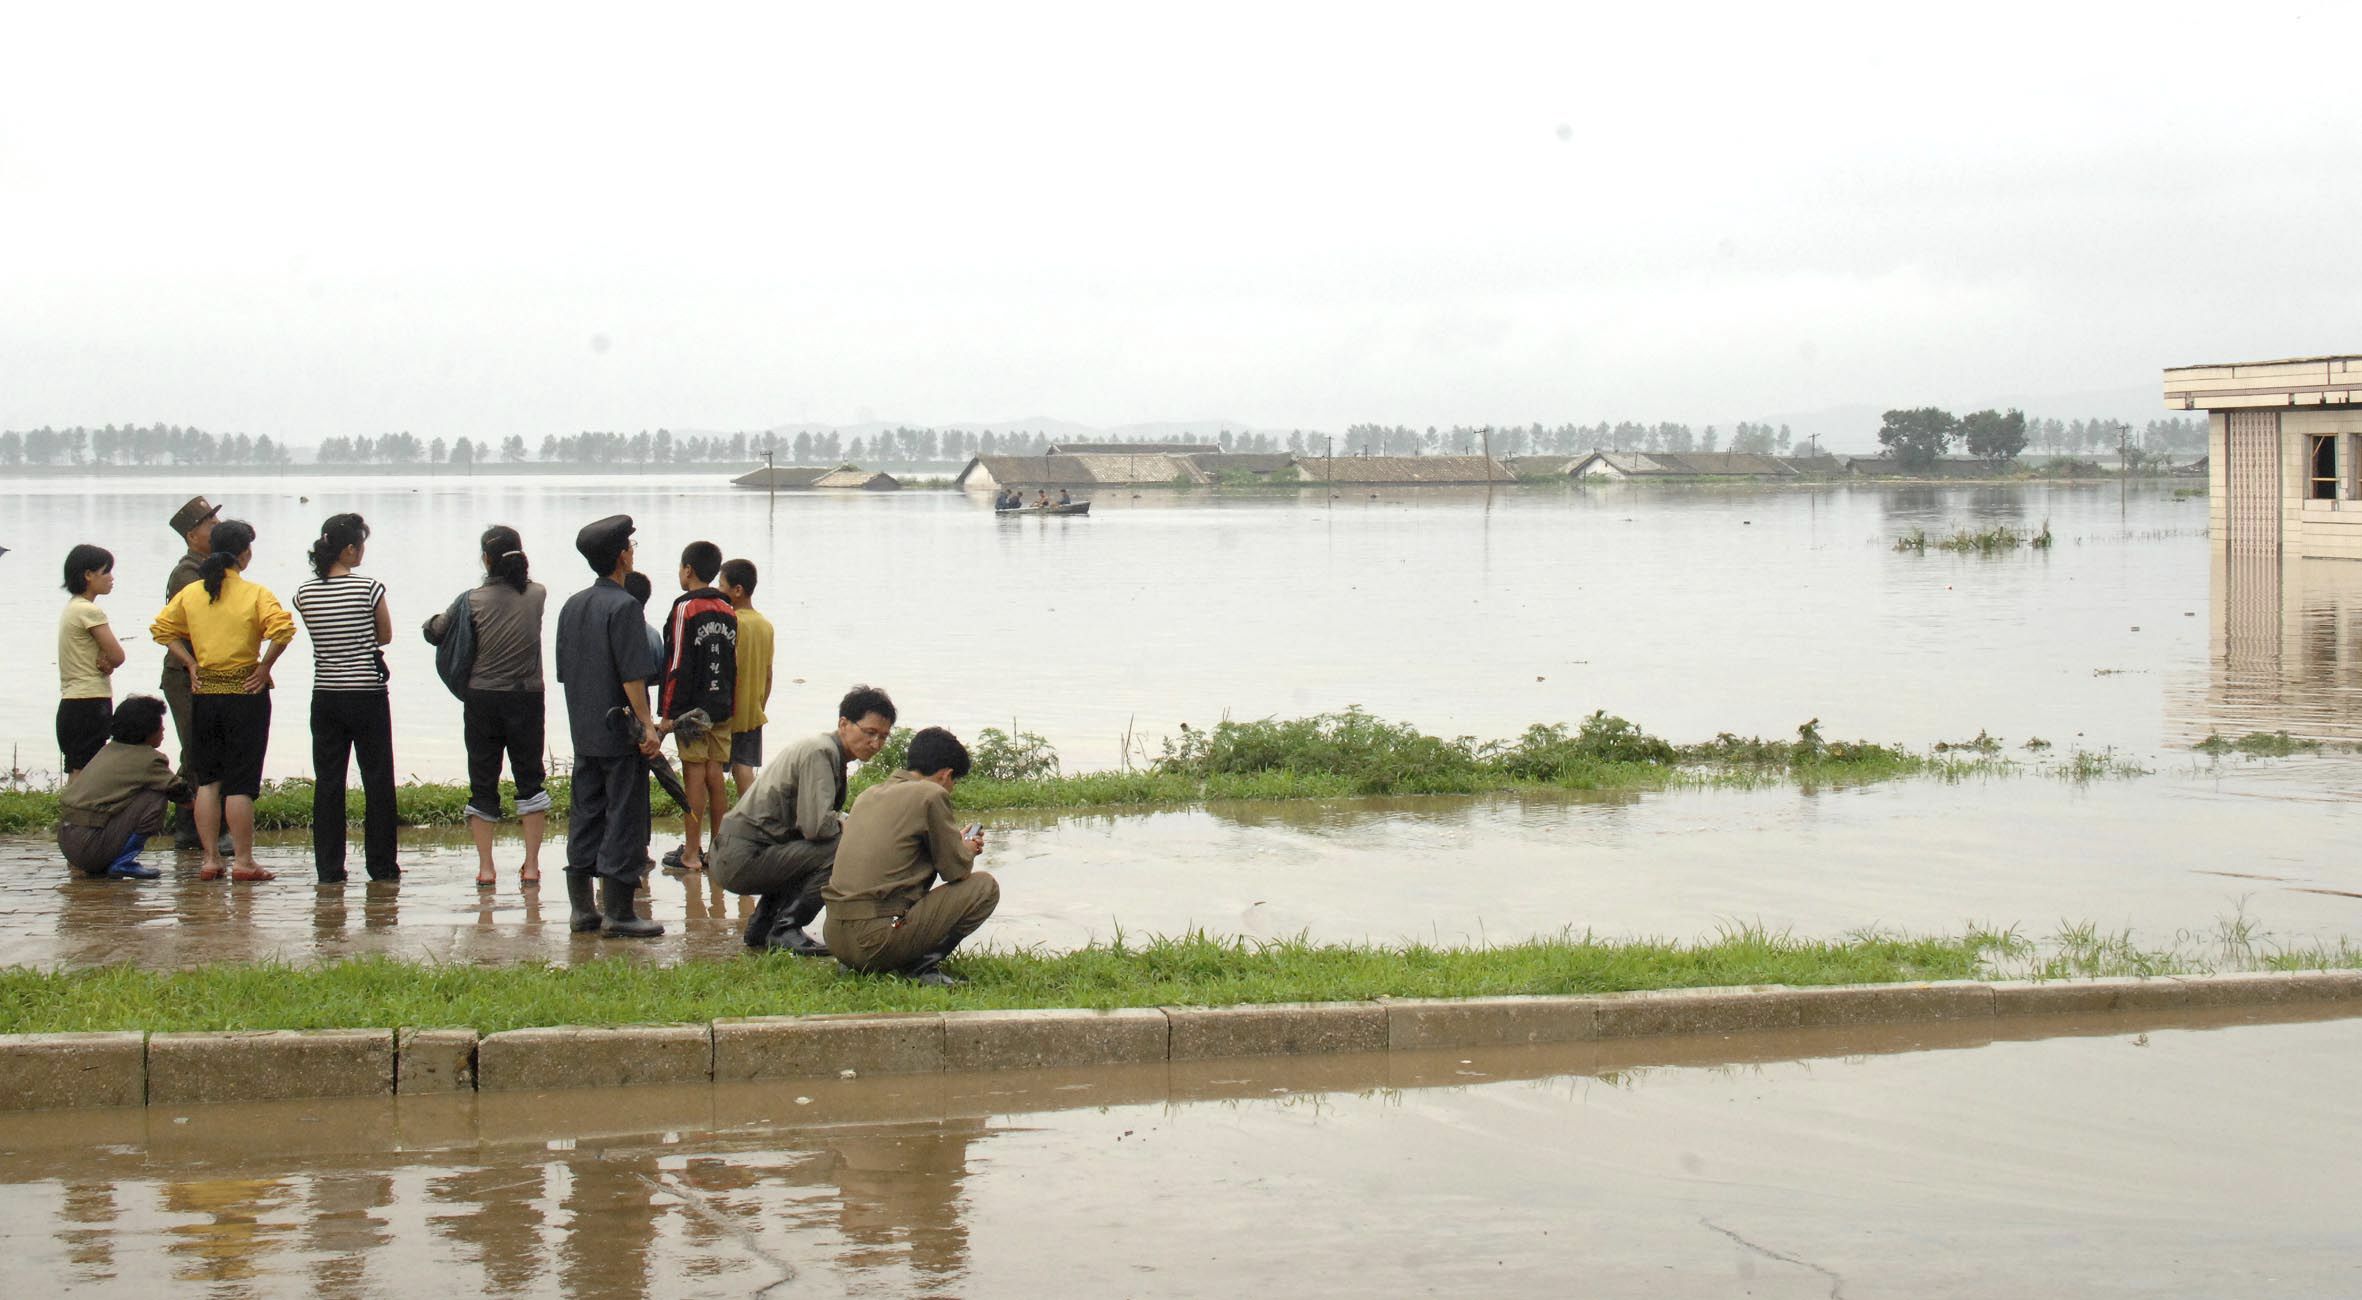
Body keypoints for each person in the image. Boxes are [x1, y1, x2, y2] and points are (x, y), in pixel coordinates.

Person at [150, 519, 295, 882]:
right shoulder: (255, 593)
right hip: (246, 692)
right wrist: (264, 667)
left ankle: (210, 859)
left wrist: (191, 663)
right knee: (241, 783)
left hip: (205, 693)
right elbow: (283, 629)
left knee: (209, 780)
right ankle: (244, 861)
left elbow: (162, 629)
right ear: (243, 554)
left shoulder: (193, 593)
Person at [709, 685, 896, 956]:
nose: (876, 744)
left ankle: (764, 926)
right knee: (842, 847)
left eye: (883, 736)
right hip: (741, 856)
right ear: (844, 723)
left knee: (818, 847)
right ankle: (786, 927)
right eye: (869, 733)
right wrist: (852, 824)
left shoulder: (828, 751)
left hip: (738, 853)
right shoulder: (821, 752)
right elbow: (817, 827)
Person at [554, 515, 666, 938]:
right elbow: (632, 677)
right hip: (620, 732)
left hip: (584, 728)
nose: (632, 553)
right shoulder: (625, 606)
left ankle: (582, 910)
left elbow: (566, 672)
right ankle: (619, 912)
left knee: (585, 813)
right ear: (622, 556)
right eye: (631, 548)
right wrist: (647, 726)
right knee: (625, 815)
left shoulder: (572, 605)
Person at [822, 726, 998, 986]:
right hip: (874, 940)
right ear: (945, 774)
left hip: (835, 938)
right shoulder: (932, 793)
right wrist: (967, 849)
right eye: (954, 782)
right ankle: (920, 965)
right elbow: (955, 871)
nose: (952, 788)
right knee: (984, 887)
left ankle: (861, 963)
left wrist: (953, 842)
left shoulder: (867, 795)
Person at [424, 524, 549, 888]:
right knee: (530, 778)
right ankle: (530, 867)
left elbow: (438, 630)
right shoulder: (539, 594)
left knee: (482, 780)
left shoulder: (472, 600)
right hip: (528, 698)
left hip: (482, 699)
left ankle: (486, 869)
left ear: (486, 559)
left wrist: (430, 622)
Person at [294, 513, 399, 884]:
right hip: (367, 694)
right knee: (378, 780)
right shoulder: (369, 588)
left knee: (328, 783)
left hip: (325, 694)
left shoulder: (304, 594)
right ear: (350, 549)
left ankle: (329, 869)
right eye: (361, 546)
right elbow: (384, 635)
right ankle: (382, 866)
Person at [658, 541, 736, 874]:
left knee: (694, 773)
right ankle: (717, 851)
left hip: (691, 711)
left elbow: (676, 664)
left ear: (688, 570)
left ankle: (691, 852)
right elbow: (731, 661)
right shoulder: (727, 608)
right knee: (715, 772)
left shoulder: (684, 609)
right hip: (721, 705)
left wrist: (667, 715)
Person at [56, 695, 186, 880]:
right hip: (89, 845)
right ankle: (123, 861)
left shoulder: (107, 750)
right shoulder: (149, 759)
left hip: (67, 840)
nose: (163, 729)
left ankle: (111, 859)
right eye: (160, 724)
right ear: (147, 729)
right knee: (154, 796)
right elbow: (183, 796)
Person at [159, 495, 220, 849]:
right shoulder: (188, 573)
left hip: (206, 671)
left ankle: (197, 822)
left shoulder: (210, 568)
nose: (215, 529)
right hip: (185, 673)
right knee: (195, 748)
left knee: (202, 746)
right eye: (210, 524)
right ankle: (188, 823)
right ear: (192, 534)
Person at [57, 543, 126, 776]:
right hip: (90, 701)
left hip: (71, 701)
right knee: (88, 774)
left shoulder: (72, 608)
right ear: (88, 575)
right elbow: (118, 655)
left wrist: (104, 658)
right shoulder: (89, 611)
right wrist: (109, 660)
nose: (111, 578)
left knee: (77, 772)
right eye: (105, 571)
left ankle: (70, 813)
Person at [719, 558, 772, 799]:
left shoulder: (731, 622)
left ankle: (720, 828)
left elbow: (730, 668)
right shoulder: (765, 625)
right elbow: (768, 674)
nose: (718, 590)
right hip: (753, 710)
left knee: (716, 771)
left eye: (721, 585)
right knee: (744, 767)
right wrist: (761, 705)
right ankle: (749, 821)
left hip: (729, 711)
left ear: (737, 590)